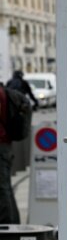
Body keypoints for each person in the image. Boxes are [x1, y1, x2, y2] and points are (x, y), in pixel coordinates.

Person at [0, 85, 20, 224]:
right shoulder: (3, 92)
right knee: (4, 185)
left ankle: (8, 224)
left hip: (1, 145)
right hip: (5, 145)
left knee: (2, 187)